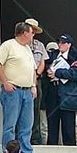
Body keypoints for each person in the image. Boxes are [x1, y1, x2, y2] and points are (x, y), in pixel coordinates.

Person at [0, 22, 37, 153]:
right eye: (31, 32)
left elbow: (33, 69)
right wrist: (5, 82)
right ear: (25, 33)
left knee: (26, 124)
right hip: (13, 89)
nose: (32, 35)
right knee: (10, 124)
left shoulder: (27, 48)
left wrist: (33, 85)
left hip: (27, 90)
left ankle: (26, 152)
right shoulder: (8, 45)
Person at [45, 34, 77, 146]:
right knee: (52, 124)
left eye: (63, 43)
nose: (60, 45)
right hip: (53, 92)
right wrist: (48, 71)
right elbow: (46, 66)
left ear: (69, 45)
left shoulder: (75, 56)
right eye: (59, 42)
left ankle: (70, 149)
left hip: (68, 95)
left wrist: (58, 73)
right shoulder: (53, 55)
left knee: (68, 127)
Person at [27, 18, 49, 146]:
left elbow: (42, 62)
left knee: (36, 109)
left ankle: (35, 138)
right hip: (22, 80)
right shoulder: (18, 45)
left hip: (36, 79)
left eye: (34, 31)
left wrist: (36, 74)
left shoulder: (39, 45)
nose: (32, 33)